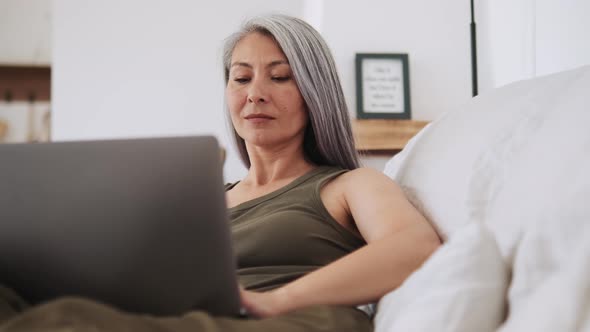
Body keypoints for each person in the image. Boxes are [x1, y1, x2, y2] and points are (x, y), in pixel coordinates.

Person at [0, 14, 440, 332]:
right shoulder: (204, 199)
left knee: (67, 322)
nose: (256, 95)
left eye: (281, 77)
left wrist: (277, 301)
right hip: (189, 321)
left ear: (314, 93)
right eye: (241, 78)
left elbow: (416, 247)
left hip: (292, 321)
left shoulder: (348, 184)